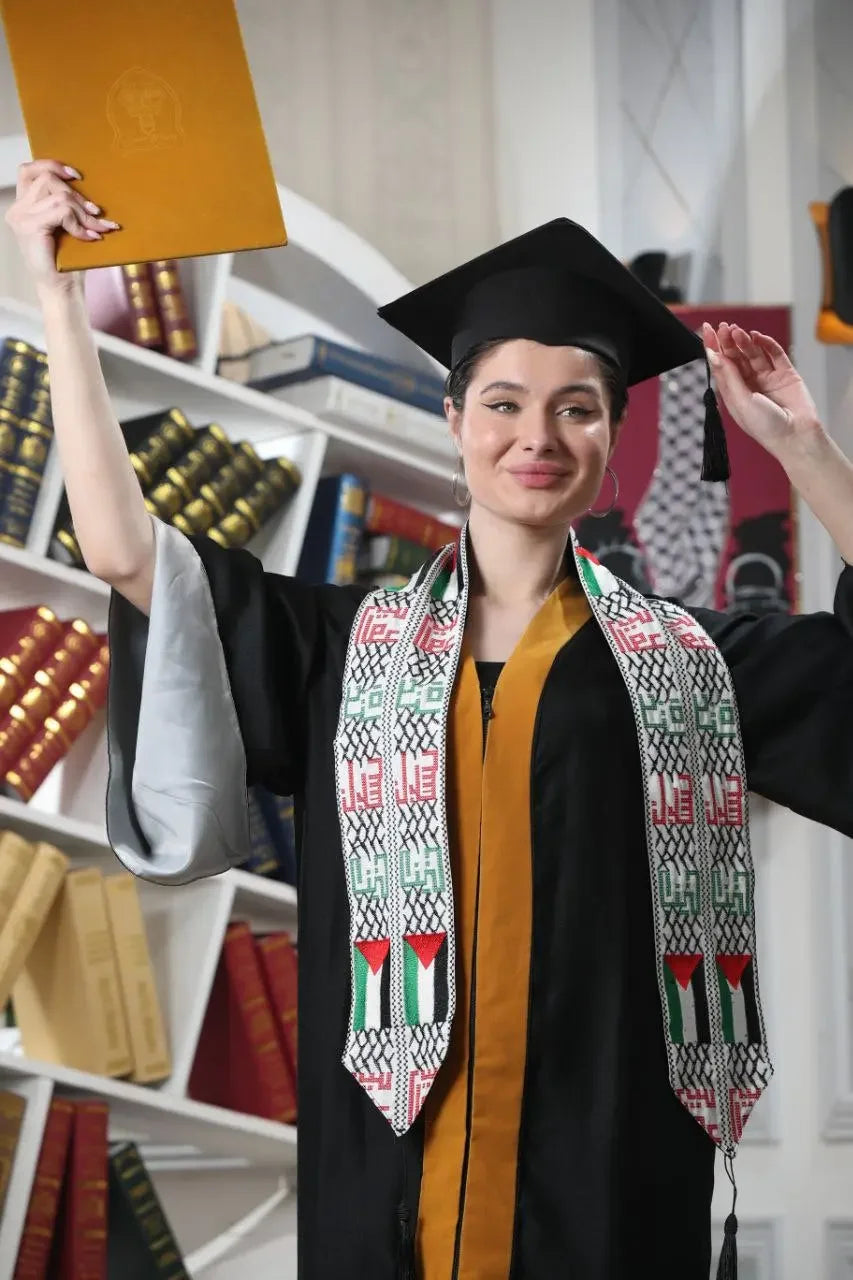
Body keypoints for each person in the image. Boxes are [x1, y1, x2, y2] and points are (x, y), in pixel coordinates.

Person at [7, 159, 853, 1280]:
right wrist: (56, 299)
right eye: (502, 403)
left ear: (607, 448)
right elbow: (124, 553)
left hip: (609, 1180)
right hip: (390, 1178)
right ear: (454, 421)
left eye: (576, 408)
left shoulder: (690, 663)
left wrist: (803, 444)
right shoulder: (342, 648)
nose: (535, 434)